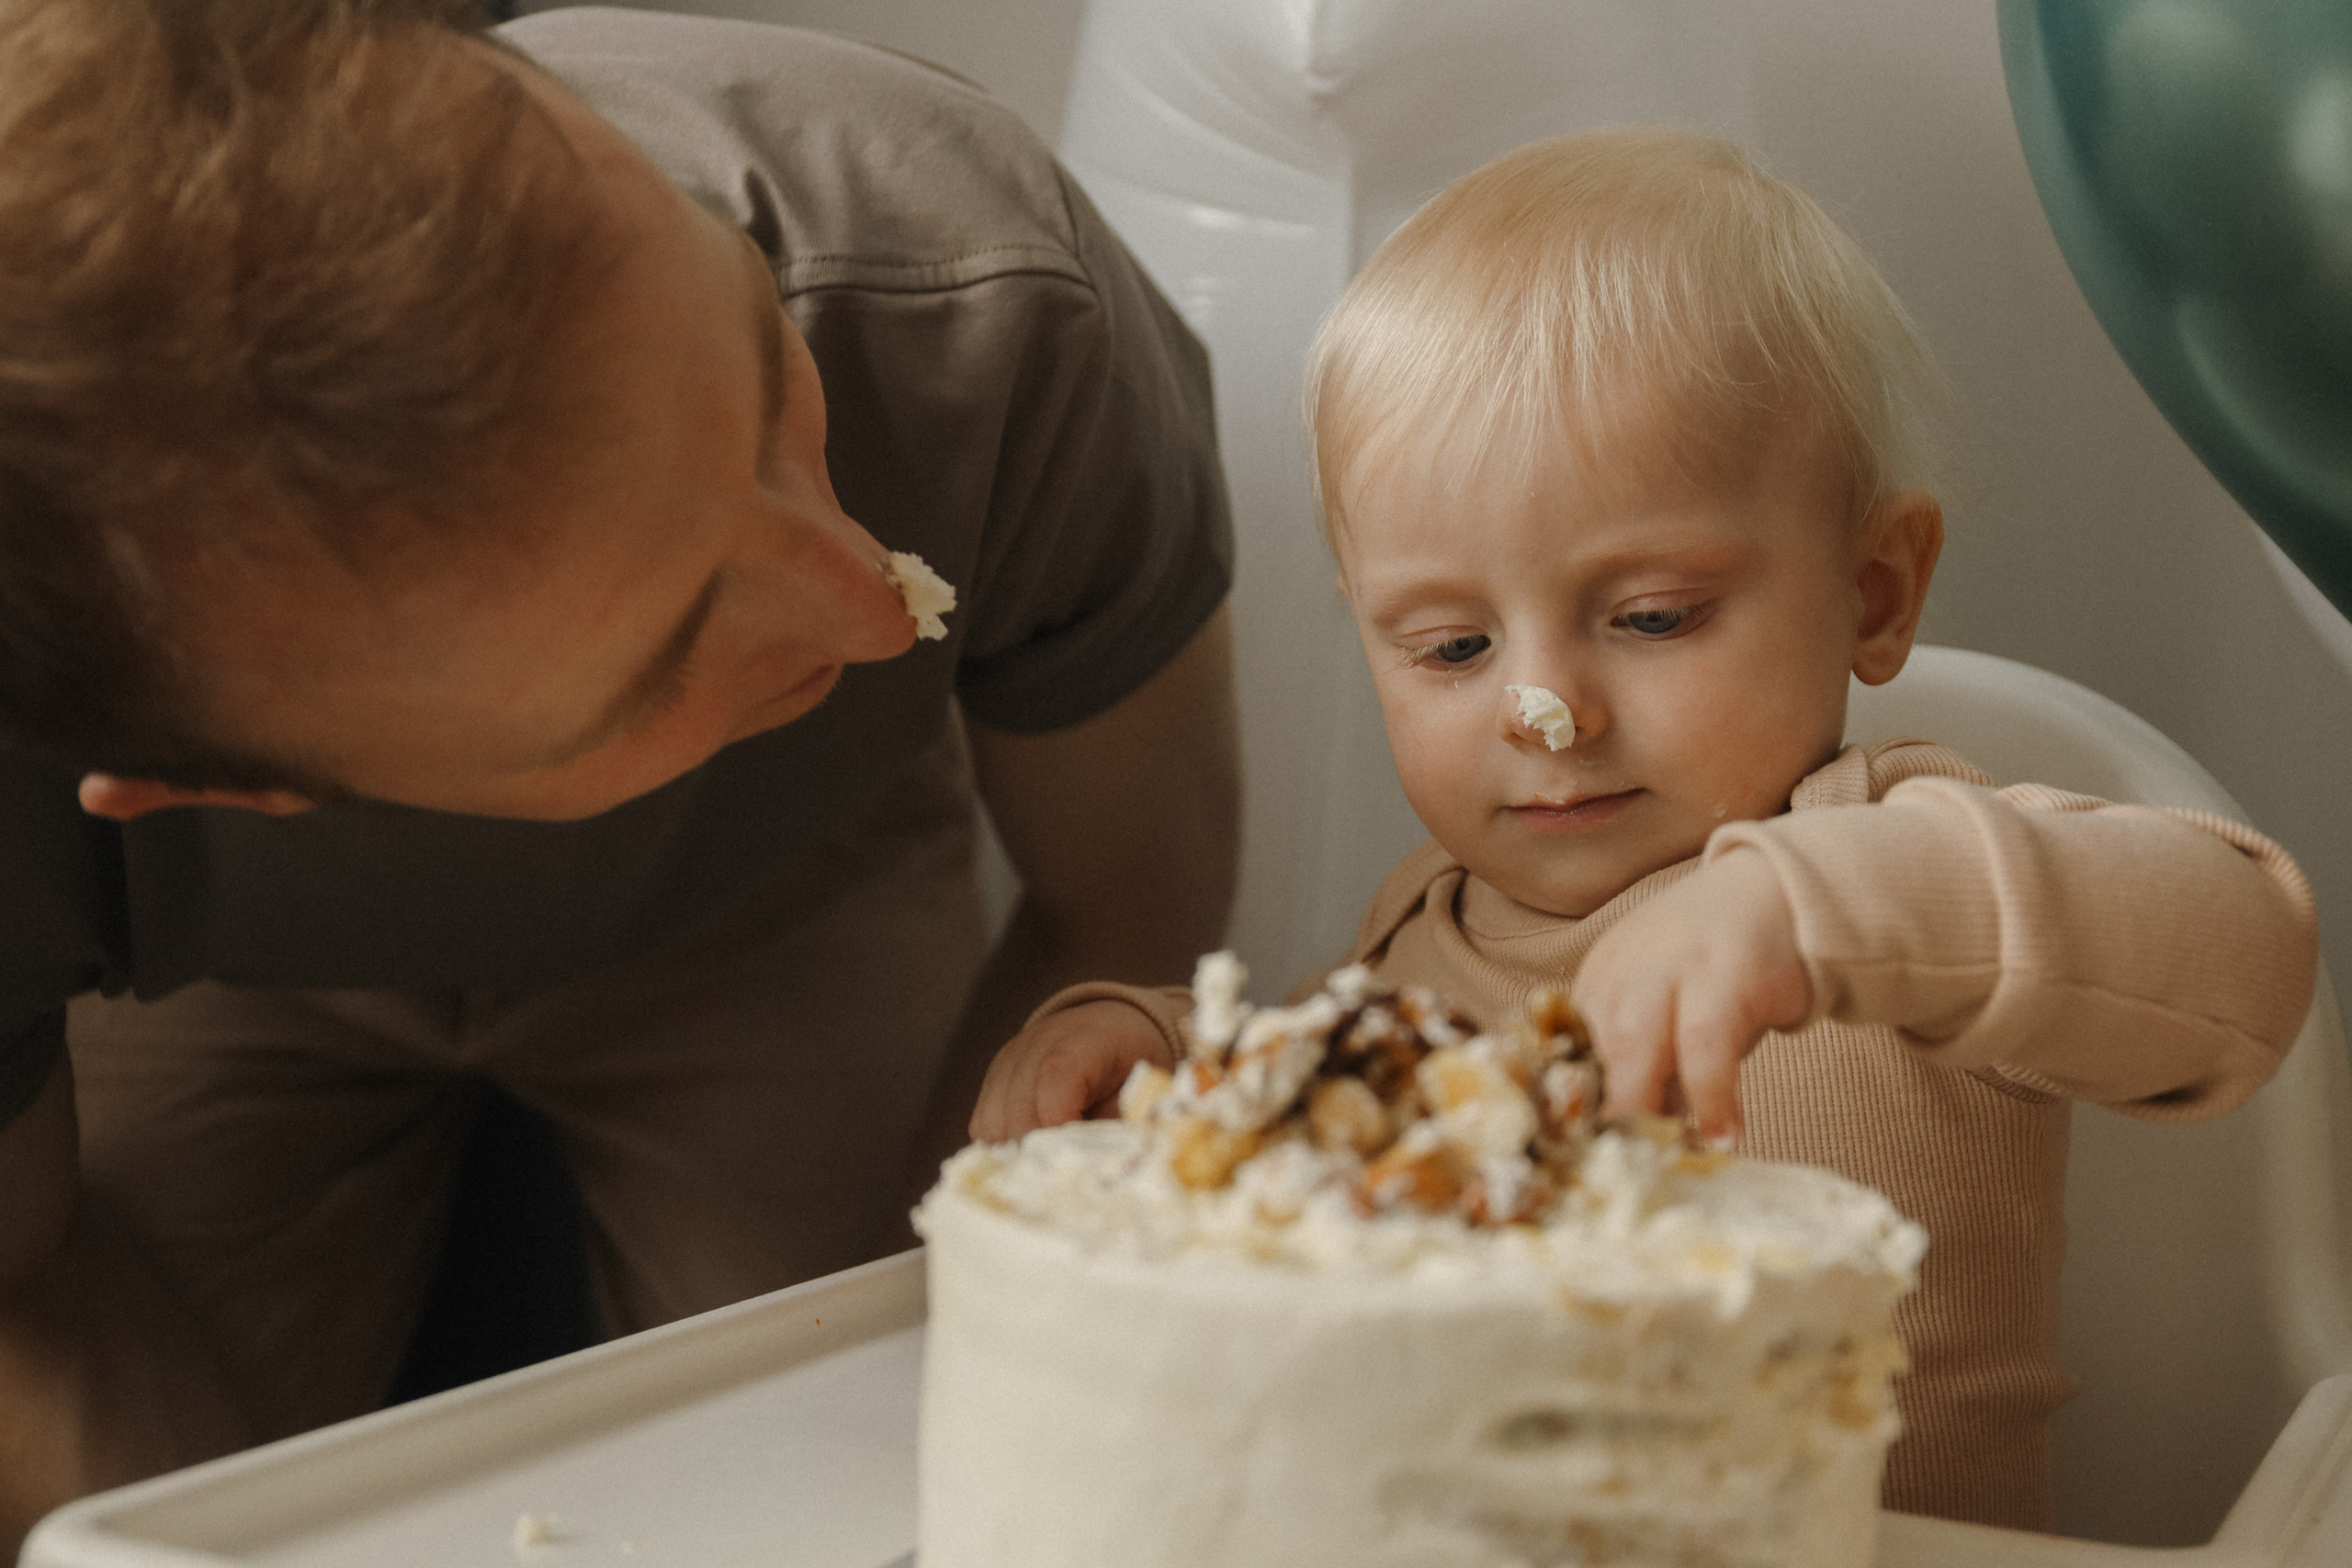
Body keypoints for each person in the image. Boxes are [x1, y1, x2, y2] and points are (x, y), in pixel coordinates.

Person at [0, 0, 1238, 1546]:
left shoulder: (979, 284)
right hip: (196, 983)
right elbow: (24, 1293)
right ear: (225, 784)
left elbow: (1126, 893)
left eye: (763, 372)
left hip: (783, 889)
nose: (868, 599)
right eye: (665, 650)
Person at [970, 128, 2319, 1530]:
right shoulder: (1420, 935)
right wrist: (1157, 1057)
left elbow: (2246, 954)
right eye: (1449, 647)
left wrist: (1819, 910)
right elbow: (1288, 1121)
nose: (1544, 709)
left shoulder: (1895, 856)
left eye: (1652, 617)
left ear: (1870, 595)